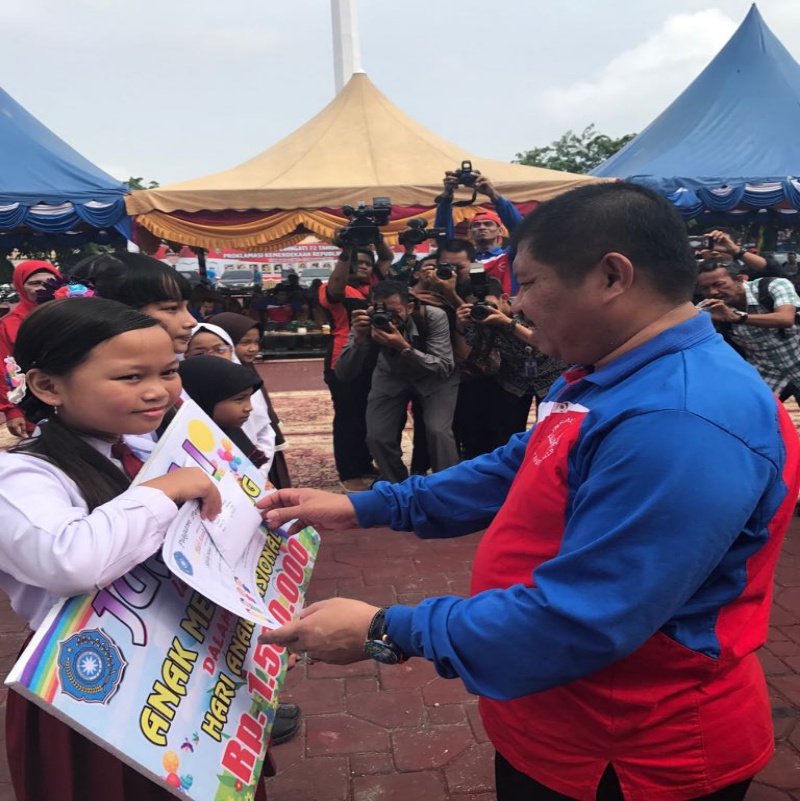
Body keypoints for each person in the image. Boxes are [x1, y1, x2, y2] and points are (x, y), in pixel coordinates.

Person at [257, 182, 800, 801]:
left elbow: (585, 618)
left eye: (531, 282)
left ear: (612, 276)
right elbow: (518, 464)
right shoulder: (611, 372)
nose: (517, 304)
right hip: (560, 721)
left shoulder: (679, 419)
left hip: (631, 751)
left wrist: (386, 629)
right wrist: (366, 505)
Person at [0, 296, 234, 801]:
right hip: (90, 687)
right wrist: (165, 491)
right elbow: (71, 561)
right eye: (131, 377)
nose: (158, 391)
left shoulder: (150, 448)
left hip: (176, 666)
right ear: (47, 385)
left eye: (169, 371)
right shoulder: (21, 476)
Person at [335, 280, 460, 484]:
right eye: (381, 311)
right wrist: (358, 339)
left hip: (435, 377)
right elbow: (343, 373)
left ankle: (448, 485)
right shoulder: (367, 319)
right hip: (391, 374)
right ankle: (397, 484)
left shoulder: (432, 316)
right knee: (377, 436)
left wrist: (404, 348)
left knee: (438, 432)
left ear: (409, 307)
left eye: (395, 312)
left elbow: (443, 366)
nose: (387, 318)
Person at [209, 312, 292, 489]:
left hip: (261, 446)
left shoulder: (246, 371)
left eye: (256, 342)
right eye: (245, 343)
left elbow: (262, 416)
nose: (253, 348)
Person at [695, 259, 800, 401]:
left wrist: (737, 317)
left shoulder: (774, 286)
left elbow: (785, 319)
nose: (712, 292)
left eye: (719, 285)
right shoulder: (709, 308)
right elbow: (681, 326)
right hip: (766, 372)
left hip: (796, 359)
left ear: (739, 280)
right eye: (704, 288)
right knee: (752, 414)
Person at [185, 322, 276, 478]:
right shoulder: (184, 397)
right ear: (184, 355)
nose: (212, 357)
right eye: (200, 353)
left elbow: (264, 431)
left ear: (231, 350)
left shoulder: (246, 383)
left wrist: (259, 473)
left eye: (220, 350)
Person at [0, 260, 61, 437]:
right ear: (19, 286)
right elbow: (4, 369)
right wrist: (11, 410)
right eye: (34, 283)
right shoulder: (8, 325)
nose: (42, 288)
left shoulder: (72, 316)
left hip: (76, 399)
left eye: (49, 282)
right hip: (32, 404)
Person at [178, 356, 270, 471]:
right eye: (239, 399)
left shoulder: (232, 435)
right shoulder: (181, 446)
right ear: (206, 399)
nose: (249, 407)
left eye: (249, 398)